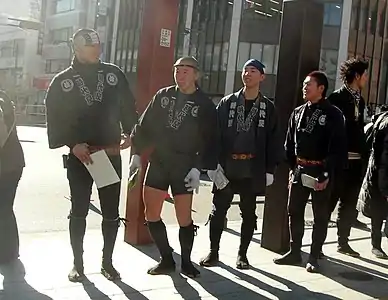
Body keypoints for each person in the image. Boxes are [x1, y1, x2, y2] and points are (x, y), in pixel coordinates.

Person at [45, 28, 138, 282]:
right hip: (80, 155)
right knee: (79, 210)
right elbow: (55, 117)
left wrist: (130, 132)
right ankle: (78, 264)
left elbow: (128, 106)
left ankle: (107, 262)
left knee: (110, 211)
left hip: (108, 153)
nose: (97, 51)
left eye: (99, 47)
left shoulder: (113, 74)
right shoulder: (62, 81)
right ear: (76, 49)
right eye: (90, 48)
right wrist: (72, 144)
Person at [129, 56, 218, 278]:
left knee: (184, 217)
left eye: (186, 70)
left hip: (185, 164)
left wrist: (199, 168)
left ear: (196, 75)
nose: (180, 74)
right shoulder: (163, 96)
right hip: (159, 161)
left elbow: (211, 140)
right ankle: (166, 258)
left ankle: (186, 261)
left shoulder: (204, 104)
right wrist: (137, 155)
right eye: (177, 70)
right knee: (151, 213)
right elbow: (144, 125)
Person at [198, 59, 281, 269]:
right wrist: (212, 164)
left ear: (262, 77)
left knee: (249, 212)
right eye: (245, 70)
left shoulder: (268, 108)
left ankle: (242, 254)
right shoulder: (227, 103)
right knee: (218, 211)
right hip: (227, 165)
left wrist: (270, 169)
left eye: (253, 71)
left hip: (252, 168)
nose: (247, 74)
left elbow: (273, 140)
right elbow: (213, 134)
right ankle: (213, 251)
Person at [274, 71, 346, 272]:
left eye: (309, 85)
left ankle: (314, 256)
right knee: (294, 211)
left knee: (320, 216)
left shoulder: (333, 114)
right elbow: (289, 144)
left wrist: (326, 172)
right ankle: (294, 251)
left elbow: (337, 148)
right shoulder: (297, 112)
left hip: (321, 170)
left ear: (321, 88)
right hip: (300, 169)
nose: (304, 88)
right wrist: (292, 168)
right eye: (304, 85)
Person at [327, 57, 369, 257]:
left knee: (349, 203)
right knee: (329, 202)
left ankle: (343, 242)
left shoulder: (360, 100)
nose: (366, 79)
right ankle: (317, 246)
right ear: (358, 76)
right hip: (339, 161)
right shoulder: (336, 98)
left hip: (356, 161)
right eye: (365, 75)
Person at [358, 110, 388, 259]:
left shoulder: (382, 119)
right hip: (380, 176)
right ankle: (376, 246)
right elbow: (384, 159)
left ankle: (376, 245)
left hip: (377, 174)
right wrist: (385, 188)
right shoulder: (386, 122)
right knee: (378, 212)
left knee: (378, 213)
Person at [0, 90, 25, 265]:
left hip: (6, 165)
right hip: (12, 163)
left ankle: (7, 254)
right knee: (5, 208)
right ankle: (10, 252)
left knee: (3, 208)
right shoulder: (3, 98)